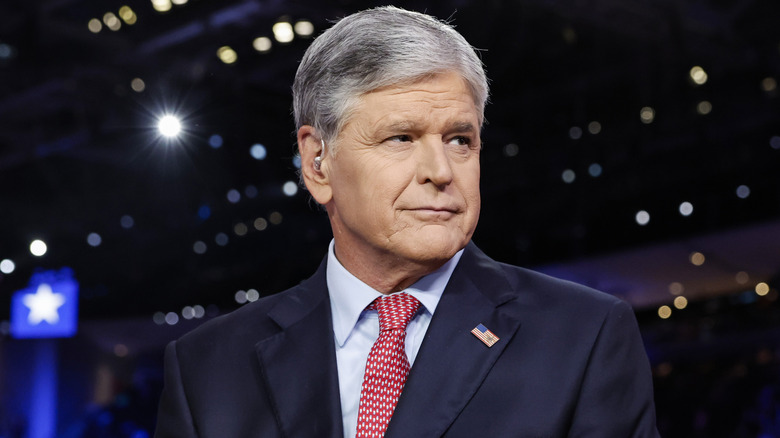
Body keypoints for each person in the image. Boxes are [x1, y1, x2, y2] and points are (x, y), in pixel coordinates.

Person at [155, 6, 660, 437]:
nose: (441, 171)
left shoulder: (585, 336)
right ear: (317, 163)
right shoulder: (206, 368)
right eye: (401, 138)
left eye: (459, 140)